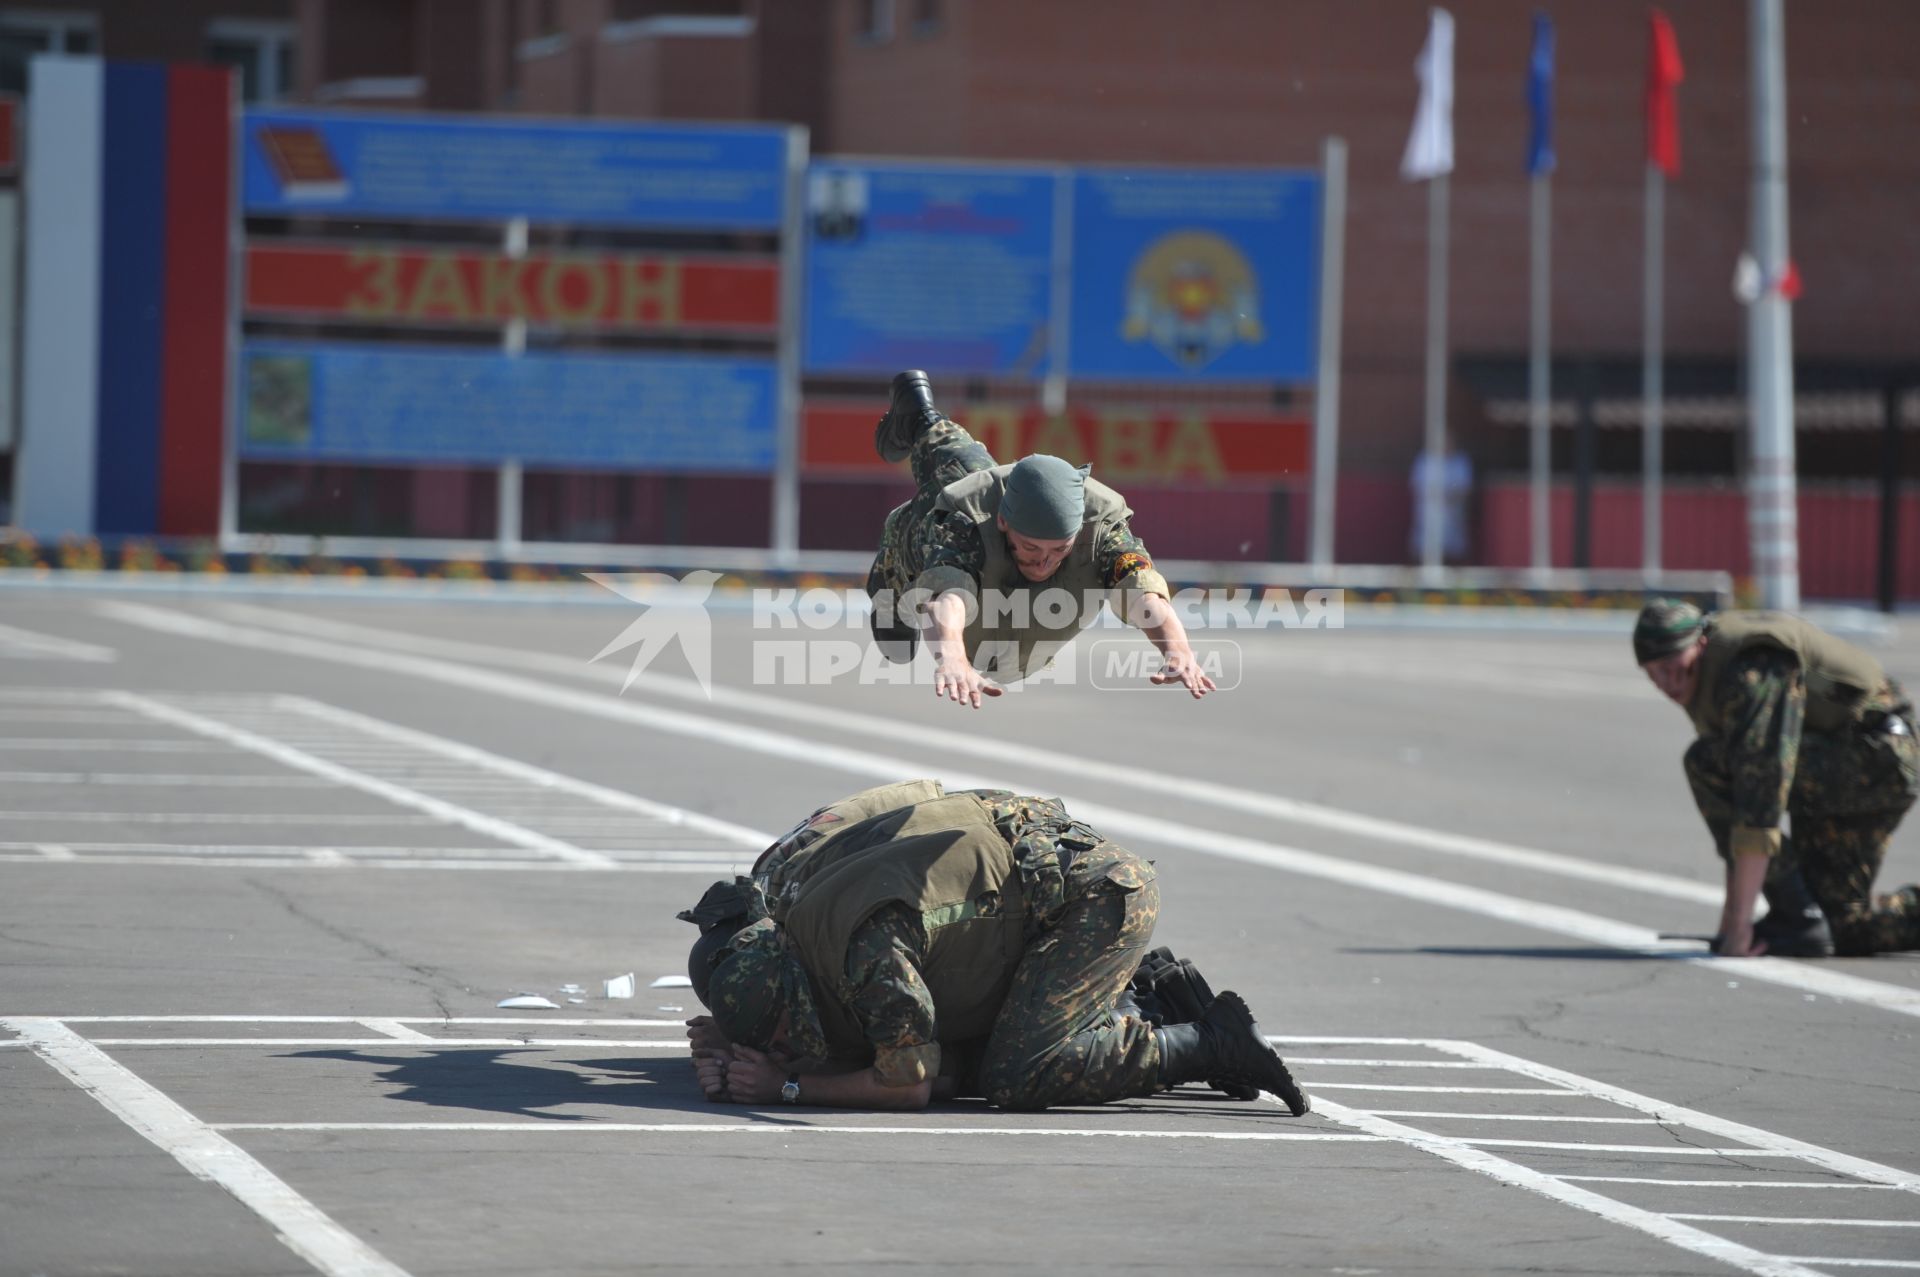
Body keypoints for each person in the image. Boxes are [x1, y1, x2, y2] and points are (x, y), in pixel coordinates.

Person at [680, 784, 1310, 1113]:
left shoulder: (866, 957)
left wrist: (784, 1086)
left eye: (782, 1032)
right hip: (1029, 884)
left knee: (1017, 1075)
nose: (784, 1046)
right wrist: (734, 1046)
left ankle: (1211, 1041)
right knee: (960, 1052)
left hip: (1090, 899)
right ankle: (1143, 999)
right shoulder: (788, 904)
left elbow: (910, 1087)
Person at [864, 370, 1215, 708]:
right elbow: (948, 596)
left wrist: (1176, 649)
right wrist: (953, 658)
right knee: (954, 479)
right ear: (1003, 521)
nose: (1044, 562)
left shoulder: (1102, 528)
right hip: (916, 545)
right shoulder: (963, 520)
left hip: (994, 513)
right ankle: (921, 418)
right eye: (1031, 547)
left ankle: (921, 418)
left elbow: (1143, 592)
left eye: (1058, 549)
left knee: (968, 465)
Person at [1634, 599, 1920, 957]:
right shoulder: (1706, 675)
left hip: (1880, 758)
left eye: (1675, 667)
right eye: (1653, 673)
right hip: (1842, 764)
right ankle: (1804, 916)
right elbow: (1738, 807)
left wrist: (1739, 928)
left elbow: (1759, 796)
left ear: (1701, 645)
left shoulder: (1753, 669)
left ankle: (1795, 914)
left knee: (1707, 763)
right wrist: (1729, 922)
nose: (1667, 683)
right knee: (1841, 926)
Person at [1407, 431, 1472, 564]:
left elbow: (1464, 489)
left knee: (1453, 554)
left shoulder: (1460, 462)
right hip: (1428, 517)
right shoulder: (1424, 461)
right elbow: (1419, 487)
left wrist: (1448, 496)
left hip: (1453, 517)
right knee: (1424, 551)